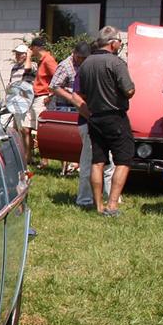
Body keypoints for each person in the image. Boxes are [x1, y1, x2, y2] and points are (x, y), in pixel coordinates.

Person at [77, 26, 135, 217]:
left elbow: (82, 93)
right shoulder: (116, 62)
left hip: (94, 117)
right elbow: (129, 90)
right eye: (120, 42)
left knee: (98, 161)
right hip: (115, 116)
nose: (120, 45)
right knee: (124, 159)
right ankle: (112, 205)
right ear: (112, 43)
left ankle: (98, 206)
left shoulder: (86, 63)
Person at [50, 41, 111, 205]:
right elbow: (54, 86)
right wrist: (72, 98)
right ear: (74, 53)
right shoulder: (66, 66)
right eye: (80, 57)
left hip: (85, 109)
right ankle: (86, 197)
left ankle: (105, 195)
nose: (82, 60)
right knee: (88, 157)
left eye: (84, 58)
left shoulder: (87, 66)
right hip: (71, 107)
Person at [28, 38, 58, 166]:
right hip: (37, 97)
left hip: (43, 97)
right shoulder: (41, 61)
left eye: (32, 48)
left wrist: (51, 95)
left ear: (36, 47)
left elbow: (58, 77)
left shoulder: (48, 60)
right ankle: (42, 158)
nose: (31, 51)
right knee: (36, 130)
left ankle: (45, 159)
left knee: (41, 130)